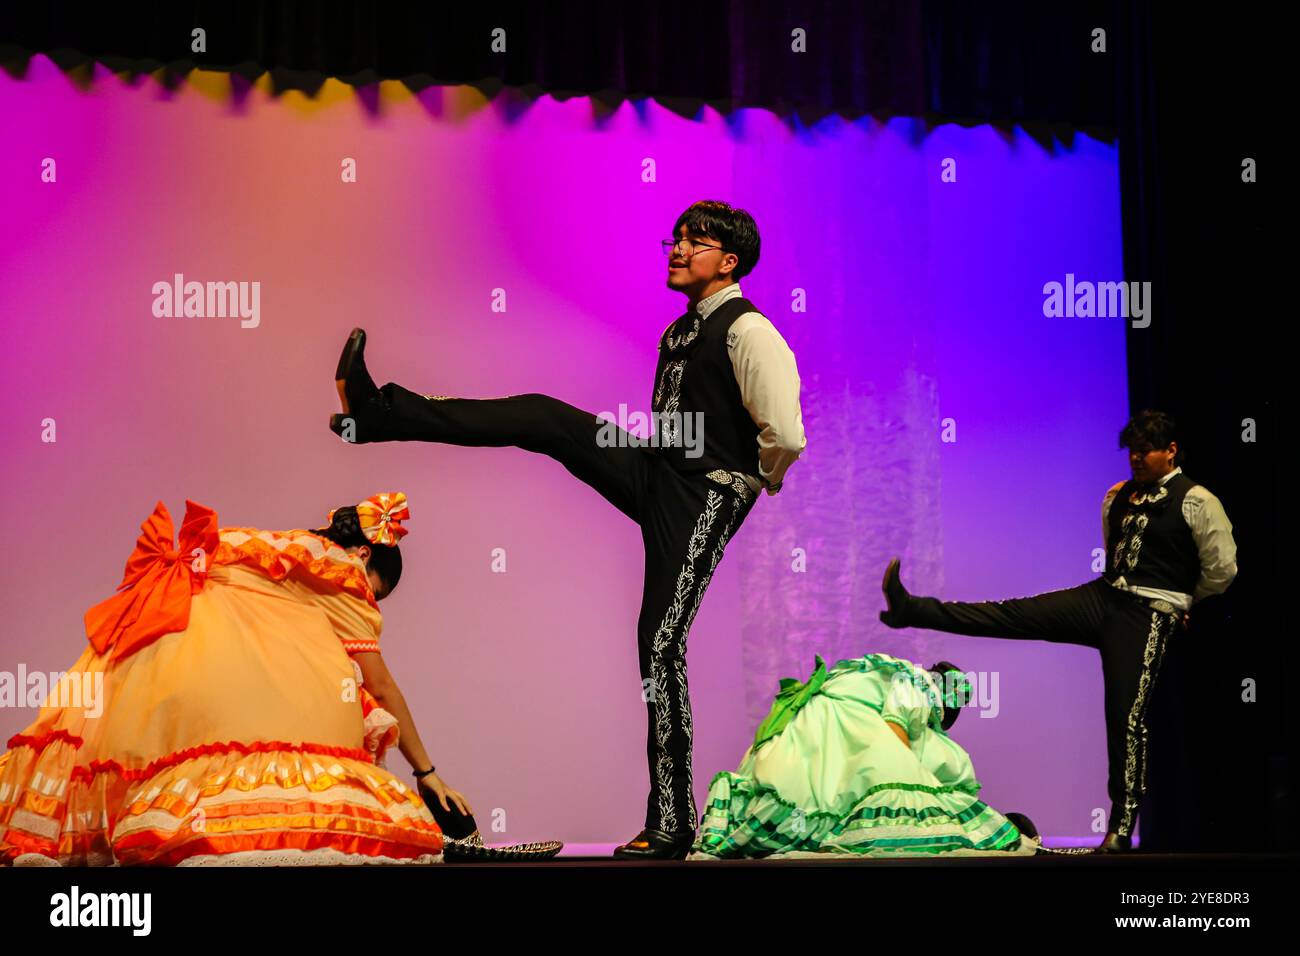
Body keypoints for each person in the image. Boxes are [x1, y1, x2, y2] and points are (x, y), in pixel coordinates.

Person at [327, 200, 807, 859]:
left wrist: (742, 485)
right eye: (677, 238)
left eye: (695, 243)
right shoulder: (680, 333)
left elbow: (784, 432)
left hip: (704, 491)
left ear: (728, 262)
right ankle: (378, 413)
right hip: (657, 465)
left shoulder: (748, 331)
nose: (676, 249)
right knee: (545, 417)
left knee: (660, 645)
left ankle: (671, 824)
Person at [0, 492, 468, 865]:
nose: (372, 604)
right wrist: (427, 773)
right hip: (213, 653)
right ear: (364, 556)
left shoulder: (276, 549)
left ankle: (81, 848)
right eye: (377, 592)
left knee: (131, 748)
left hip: (158, 638)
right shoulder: (340, 573)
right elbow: (380, 685)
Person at [879, 410, 1237, 852]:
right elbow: (1113, 551)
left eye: (1146, 451)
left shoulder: (1197, 501)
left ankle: (1120, 831)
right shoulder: (1118, 495)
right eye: (1133, 452)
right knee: (1013, 614)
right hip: (1106, 598)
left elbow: (1222, 568)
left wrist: (1184, 600)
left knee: (1126, 718)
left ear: (1171, 450)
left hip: (1148, 612)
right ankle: (912, 608)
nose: (1137, 459)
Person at [690, 653, 1037, 858]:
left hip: (809, 730)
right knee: (909, 778)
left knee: (805, 785)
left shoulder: (870, 672)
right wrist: (910, 781)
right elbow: (896, 722)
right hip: (839, 727)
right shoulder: (916, 683)